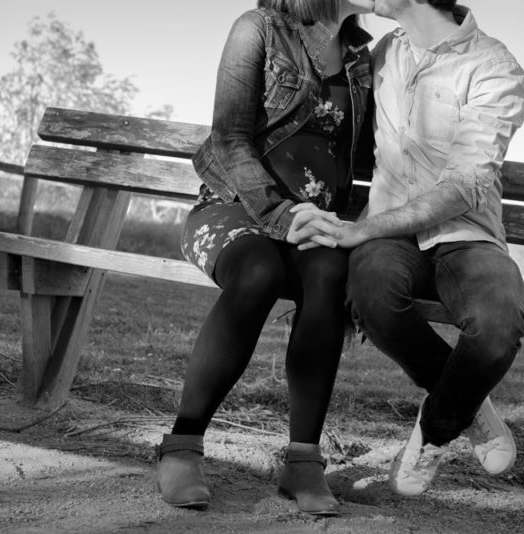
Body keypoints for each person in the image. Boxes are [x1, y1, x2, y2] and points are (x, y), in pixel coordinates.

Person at [291, 0, 524, 496]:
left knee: (497, 324)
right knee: (371, 293)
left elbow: (467, 184)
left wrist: (359, 230)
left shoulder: (494, 66)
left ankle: (438, 427)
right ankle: (468, 402)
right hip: (390, 238)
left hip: (468, 235)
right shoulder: (380, 54)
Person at [156, 0, 375, 516]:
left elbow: (369, 162)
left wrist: (357, 230)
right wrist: (280, 215)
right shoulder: (257, 30)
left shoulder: (364, 58)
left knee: (327, 273)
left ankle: (303, 461)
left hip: (315, 226)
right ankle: (182, 445)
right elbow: (229, 138)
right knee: (258, 271)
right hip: (234, 208)